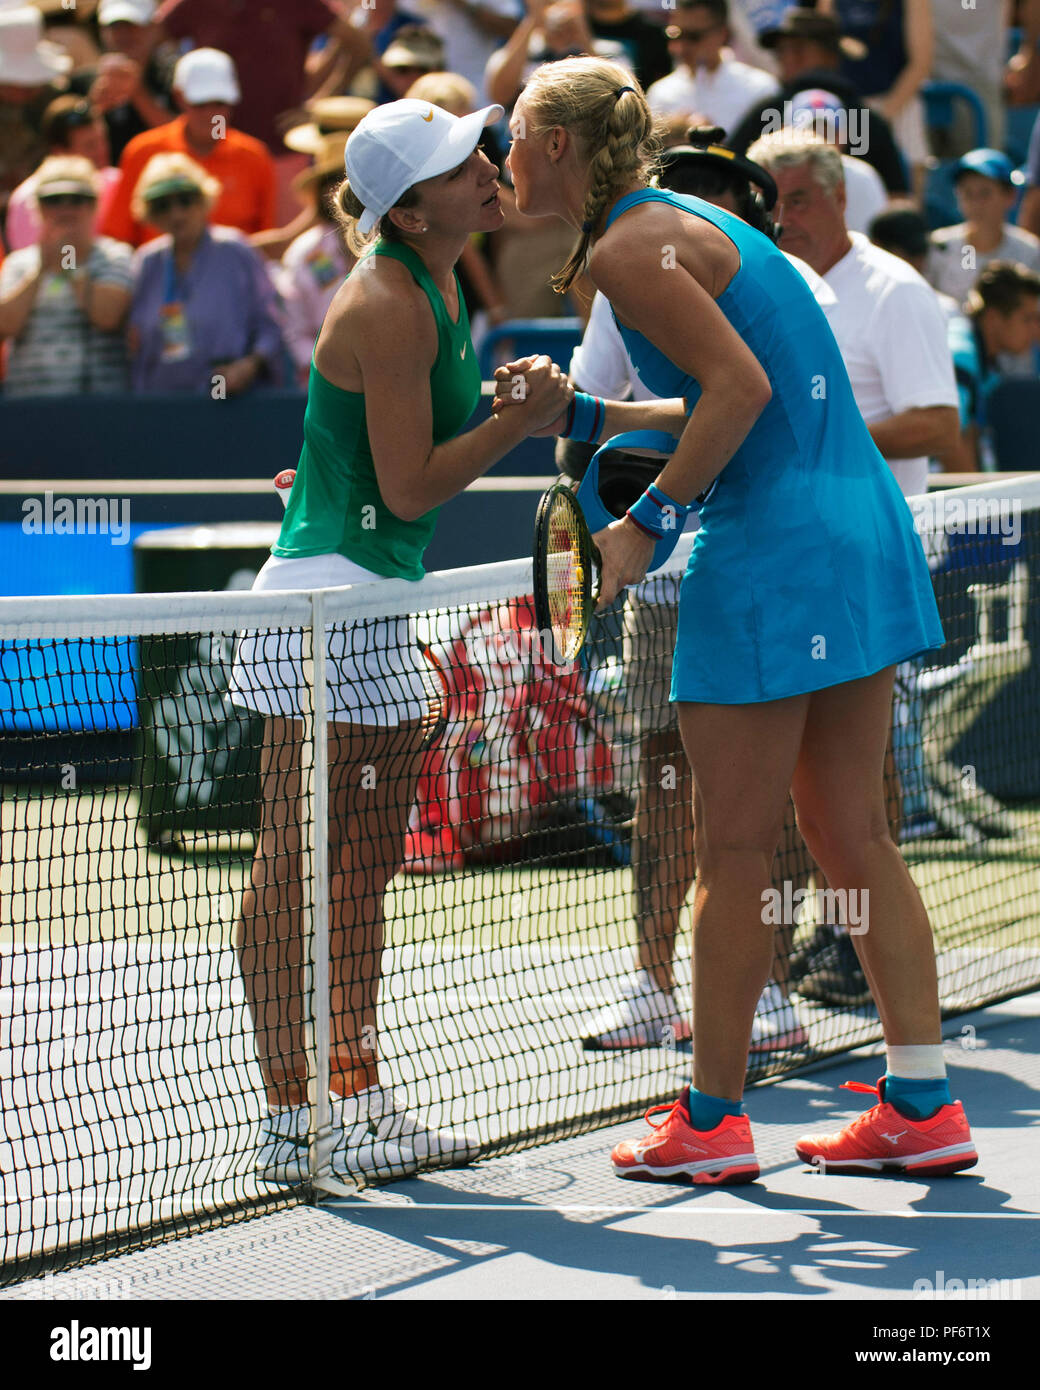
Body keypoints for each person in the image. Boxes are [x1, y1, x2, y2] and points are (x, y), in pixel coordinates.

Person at [497, 56, 977, 1183]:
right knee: (849, 834)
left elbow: (739, 395)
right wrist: (582, 410)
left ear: (557, 146)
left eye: (511, 134)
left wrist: (642, 525)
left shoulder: (623, 247)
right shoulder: (676, 227)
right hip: (852, 527)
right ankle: (920, 1097)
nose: (500, 156)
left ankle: (710, 1122)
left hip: (770, 549)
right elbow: (727, 384)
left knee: (730, 848)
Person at [227, 97, 572, 1184]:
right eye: (455, 162)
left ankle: (354, 1096)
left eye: (477, 148)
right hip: (327, 607)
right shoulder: (388, 299)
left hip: (362, 596)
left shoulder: (429, 282)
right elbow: (412, 483)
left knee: (356, 871)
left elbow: (362, 465)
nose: (484, 165)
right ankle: (294, 1117)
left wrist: (502, 411)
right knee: (297, 869)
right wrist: (516, 425)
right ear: (409, 208)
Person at [560, 129, 812, 1054]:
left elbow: (746, 408)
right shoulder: (625, 287)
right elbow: (587, 425)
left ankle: (771, 987)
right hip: (662, 582)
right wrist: (604, 529)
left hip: (766, 568)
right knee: (664, 778)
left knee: (774, 782)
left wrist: (651, 512)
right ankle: (650, 985)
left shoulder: (784, 292)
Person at [748, 129, 959, 1001]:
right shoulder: (772, 284)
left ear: (838, 199)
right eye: (773, 203)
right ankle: (808, 938)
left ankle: (850, 942)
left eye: (798, 200)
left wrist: (817, 442)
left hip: (871, 556)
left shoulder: (894, 293)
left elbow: (937, 424)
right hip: (793, 560)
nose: (784, 218)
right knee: (807, 774)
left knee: (866, 773)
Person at [127, 152, 285, 393]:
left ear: (203, 201)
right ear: (150, 213)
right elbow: (135, 345)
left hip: (231, 404)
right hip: (163, 405)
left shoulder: (235, 251)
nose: (176, 213)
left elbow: (272, 323)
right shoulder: (147, 262)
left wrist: (249, 366)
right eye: (162, 205)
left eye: (185, 200)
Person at [725, 6, 909, 197]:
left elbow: (727, 181)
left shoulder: (766, 111)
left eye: (798, 49)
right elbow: (898, 197)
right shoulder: (870, 120)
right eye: (781, 51)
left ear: (831, 56)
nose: (785, 58)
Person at [101, 47, 276, 247]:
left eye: (219, 103)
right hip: (157, 275)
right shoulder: (142, 151)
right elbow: (118, 237)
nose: (210, 113)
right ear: (179, 97)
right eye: (200, 103)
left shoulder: (255, 156)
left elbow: (266, 240)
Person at [0, 154, 131, 396]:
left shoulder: (117, 256)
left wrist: (71, 266)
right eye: (54, 200)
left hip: (103, 412)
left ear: (94, 205)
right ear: (37, 207)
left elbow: (107, 316)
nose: (66, 209)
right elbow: (5, 325)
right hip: (29, 410)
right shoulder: (18, 264)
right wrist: (41, 269)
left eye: (78, 199)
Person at [929, 149, 1040, 379]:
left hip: (1015, 378)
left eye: (985, 193)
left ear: (1010, 196)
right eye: (967, 193)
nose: (975, 203)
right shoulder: (941, 247)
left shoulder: (1030, 251)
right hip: (957, 371)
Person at [815, 0, 933, 198]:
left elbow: (921, 63)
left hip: (900, 106)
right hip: (844, 110)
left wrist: (879, 119)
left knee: (907, 198)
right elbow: (822, 49)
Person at [279, 133, 357, 385]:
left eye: (350, 179)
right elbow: (294, 330)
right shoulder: (303, 252)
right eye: (334, 181)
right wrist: (325, 370)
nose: (343, 189)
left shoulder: (391, 239)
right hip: (322, 385)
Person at [4, 95, 120, 251]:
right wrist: (73, 272)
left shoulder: (120, 182)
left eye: (102, 139)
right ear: (60, 152)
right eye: (90, 145)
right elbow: (64, 263)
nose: (101, 150)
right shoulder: (27, 200)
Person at [645, 0, 776, 134]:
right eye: (675, 34)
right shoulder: (660, 93)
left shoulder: (760, 89)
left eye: (693, 37)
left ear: (722, 34)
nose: (680, 47)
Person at [783, 87, 887, 234]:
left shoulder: (864, 178)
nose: (818, 140)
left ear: (843, 136)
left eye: (827, 132)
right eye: (809, 131)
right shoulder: (771, 179)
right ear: (784, 132)